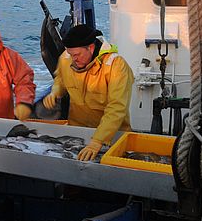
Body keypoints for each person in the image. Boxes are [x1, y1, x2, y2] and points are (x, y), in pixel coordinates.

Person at [43, 24, 134, 161]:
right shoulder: (66, 58)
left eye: (77, 55)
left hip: (111, 137)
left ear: (91, 48)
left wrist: (98, 141)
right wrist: (55, 92)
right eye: (70, 54)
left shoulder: (116, 66)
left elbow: (117, 107)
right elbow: (60, 79)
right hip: (77, 135)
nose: (73, 59)